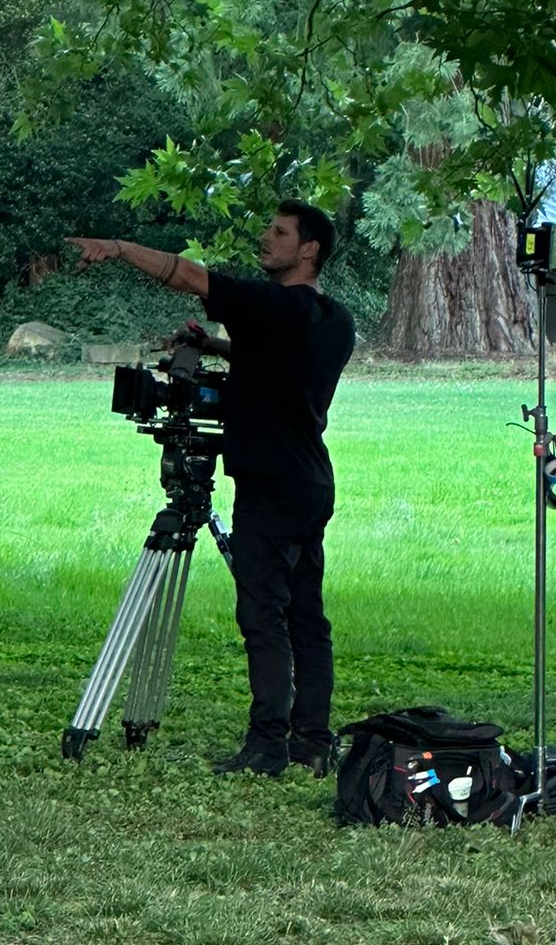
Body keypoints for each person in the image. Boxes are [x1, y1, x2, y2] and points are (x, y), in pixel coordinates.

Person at [68, 204, 355, 777]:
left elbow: (186, 274)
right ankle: (312, 741)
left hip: (269, 484)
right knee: (306, 617)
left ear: (309, 250)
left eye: (280, 232)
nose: (266, 237)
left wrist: (120, 248)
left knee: (263, 616)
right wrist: (218, 347)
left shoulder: (271, 303)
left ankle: (266, 746)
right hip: (310, 480)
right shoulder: (335, 319)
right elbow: (278, 365)